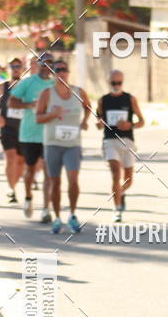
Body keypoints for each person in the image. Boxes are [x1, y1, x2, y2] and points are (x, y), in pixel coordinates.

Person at [36, 58, 91, 234]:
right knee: (55, 182)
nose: (61, 73)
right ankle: (58, 217)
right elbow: (38, 118)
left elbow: (88, 107)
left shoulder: (78, 92)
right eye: (57, 70)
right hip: (52, 143)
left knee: (73, 180)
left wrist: (84, 121)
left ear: (68, 72)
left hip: (73, 144)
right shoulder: (46, 93)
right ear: (53, 74)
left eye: (64, 70)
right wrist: (51, 114)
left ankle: (73, 215)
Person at [8, 51, 54, 222]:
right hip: (29, 134)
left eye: (50, 63)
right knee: (30, 169)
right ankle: (28, 197)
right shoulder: (28, 83)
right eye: (44, 63)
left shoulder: (57, 84)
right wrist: (29, 104)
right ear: (39, 65)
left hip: (49, 135)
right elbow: (11, 102)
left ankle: (46, 208)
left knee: (49, 172)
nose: (46, 67)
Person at [96, 70, 144, 223]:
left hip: (127, 141)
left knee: (128, 179)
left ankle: (120, 193)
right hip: (110, 141)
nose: (116, 85)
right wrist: (99, 123)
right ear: (109, 83)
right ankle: (116, 210)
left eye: (119, 83)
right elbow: (99, 122)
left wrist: (130, 125)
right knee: (116, 174)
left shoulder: (130, 99)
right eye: (113, 83)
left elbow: (142, 121)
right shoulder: (103, 100)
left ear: (122, 82)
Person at [0, 58, 25, 203]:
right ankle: (12, 190)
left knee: (21, 161)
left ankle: (15, 184)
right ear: (8, 69)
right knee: (10, 158)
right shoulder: (1, 87)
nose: (16, 68)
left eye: (18, 66)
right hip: (7, 127)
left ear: (22, 68)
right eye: (13, 66)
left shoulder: (27, 86)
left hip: (24, 128)